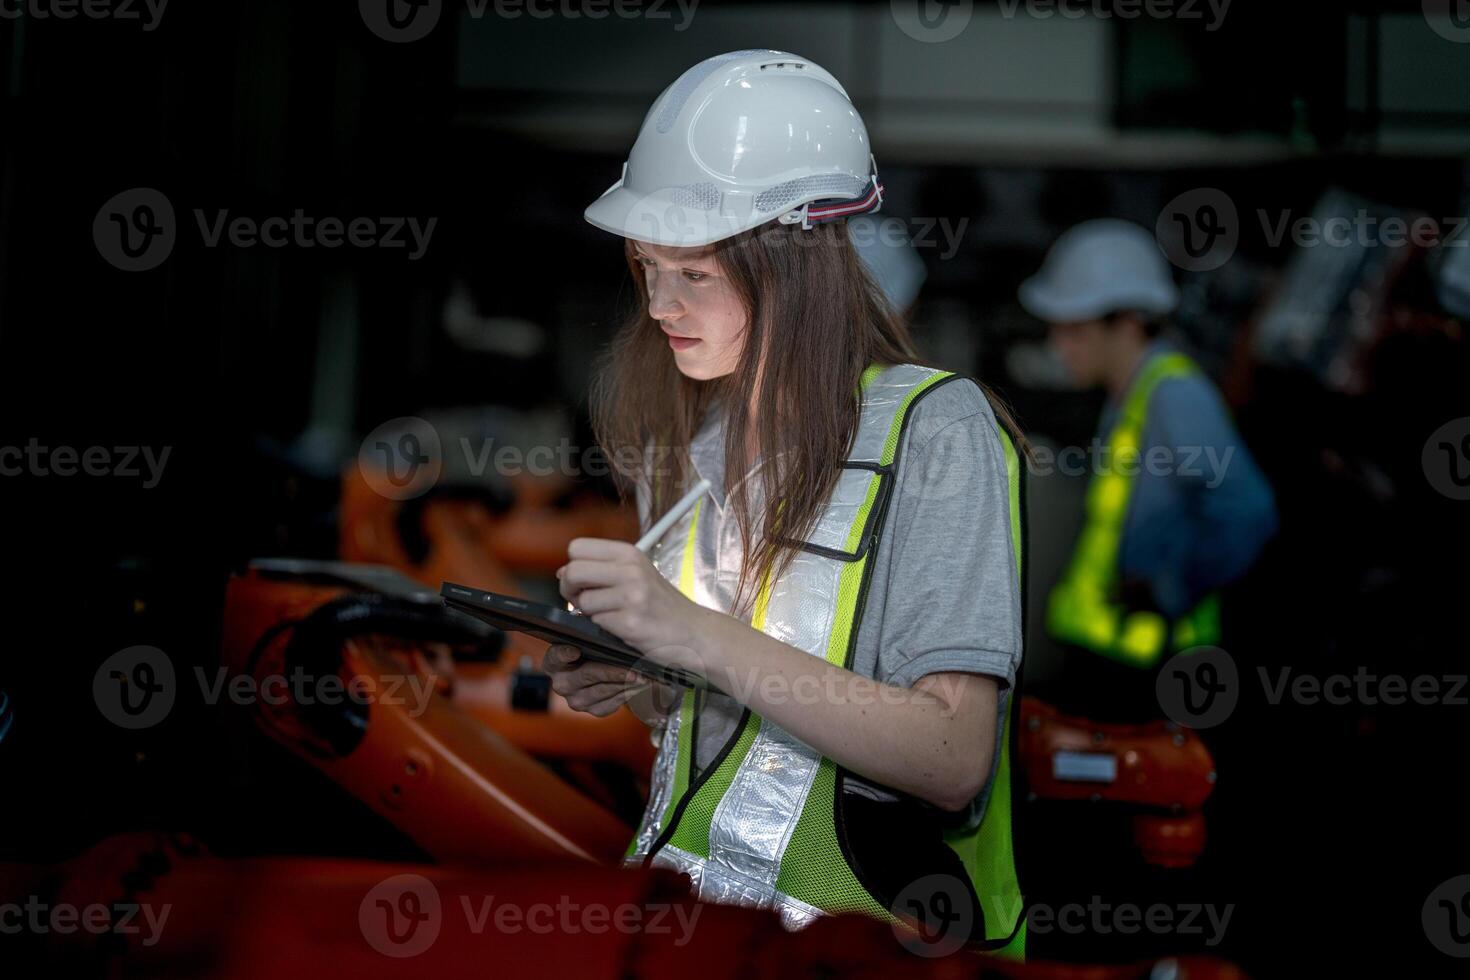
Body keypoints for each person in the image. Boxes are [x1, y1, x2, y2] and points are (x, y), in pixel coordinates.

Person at [542, 50, 1028, 957]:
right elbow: (722, 724)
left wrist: (686, 631)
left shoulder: (934, 432)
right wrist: (641, 681)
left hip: (866, 950)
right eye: (647, 268)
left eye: (693, 273)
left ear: (795, 263)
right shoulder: (694, 444)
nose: (659, 305)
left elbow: (953, 758)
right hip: (689, 935)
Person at [1019, 219, 1278, 684]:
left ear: (1129, 322)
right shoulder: (1132, 395)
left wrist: (1169, 589)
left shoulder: (1175, 394)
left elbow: (1248, 511)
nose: (1058, 347)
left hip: (1155, 666)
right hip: (1118, 653)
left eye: (1074, 330)